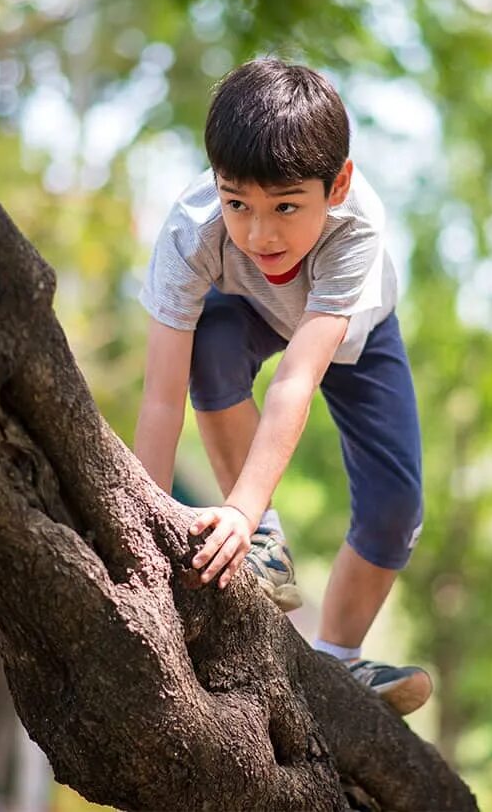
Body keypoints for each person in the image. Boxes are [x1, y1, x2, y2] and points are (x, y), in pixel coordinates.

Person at [133, 57, 431, 715]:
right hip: (247, 312)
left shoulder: (357, 230)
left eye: (287, 207)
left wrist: (234, 509)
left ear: (339, 185)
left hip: (354, 332)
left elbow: (297, 380)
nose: (260, 232)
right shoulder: (192, 232)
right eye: (238, 204)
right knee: (208, 347)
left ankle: (338, 658)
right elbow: (161, 395)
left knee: (396, 507)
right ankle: (265, 539)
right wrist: (143, 527)